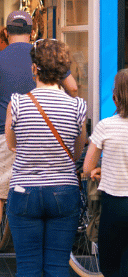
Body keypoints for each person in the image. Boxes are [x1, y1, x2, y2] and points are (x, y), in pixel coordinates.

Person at [0, 11, 79, 275]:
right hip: (43, 133)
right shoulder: (44, 56)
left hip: (8, 132)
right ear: (31, 30)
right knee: (45, 189)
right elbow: (72, 86)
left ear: (6, 31)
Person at [5, 39, 87, 277]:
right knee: (57, 267)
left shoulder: (17, 103)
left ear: (34, 68)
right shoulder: (77, 107)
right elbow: (77, 152)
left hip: (24, 191)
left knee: (27, 267)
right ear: (63, 70)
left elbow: (12, 145)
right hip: (64, 190)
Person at [83, 69, 128, 277]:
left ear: (115, 97)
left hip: (115, 205)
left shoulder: (106, 126)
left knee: (111, 265)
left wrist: (101, 169)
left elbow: (87, 168)